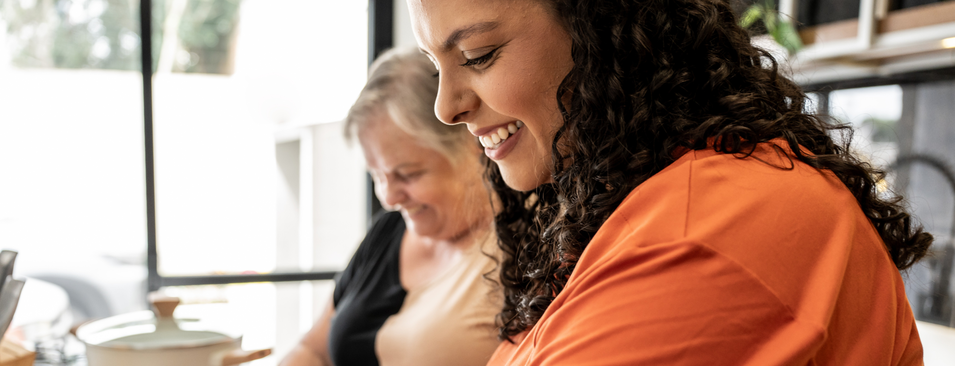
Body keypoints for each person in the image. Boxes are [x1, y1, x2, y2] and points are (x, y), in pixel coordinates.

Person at [407, 0, 932, 365]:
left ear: (603, 26)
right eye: (437, 68)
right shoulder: (642, 200)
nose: (446, 107)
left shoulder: (708, 227)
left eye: (478, 56)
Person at [279, 47, 502, 366]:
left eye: (408, 174)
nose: (389, 197)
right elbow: (314, 349)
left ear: (472, 145)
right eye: (376, 175)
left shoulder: (522, 246)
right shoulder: (389, 229)